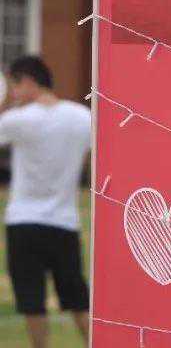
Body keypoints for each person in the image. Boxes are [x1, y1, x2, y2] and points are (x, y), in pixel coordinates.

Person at [1, 56, 91, 347]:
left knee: (32, 301)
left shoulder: (17, 120)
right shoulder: (82, 117)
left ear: (28, 82)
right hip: (64, 222)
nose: (14, 93)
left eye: (14, 86)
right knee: (78, 299)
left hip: (23, 222)